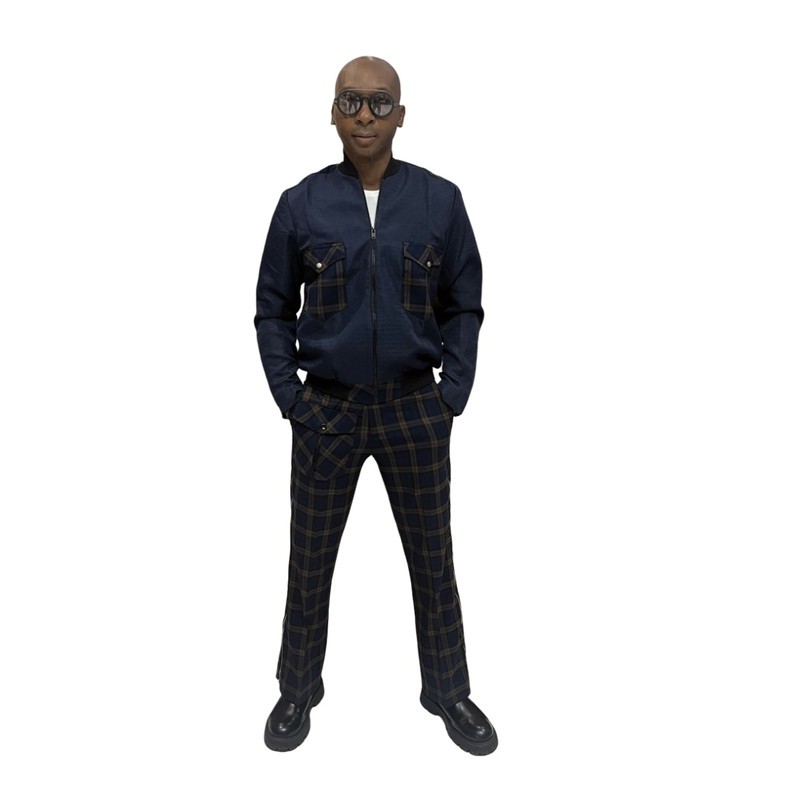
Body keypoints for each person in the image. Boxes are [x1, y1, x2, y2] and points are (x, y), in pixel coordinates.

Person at [254, 55, 497, 756]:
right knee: (309, 559)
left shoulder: (440, 201)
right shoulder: (300, 204)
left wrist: (452, 394)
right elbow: (272, 308)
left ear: (402, 115)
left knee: (433, 558)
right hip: (325, 411)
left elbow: (465, 303)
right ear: (332, 113)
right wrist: (290, 397)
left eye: (380, 103)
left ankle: (448, 690)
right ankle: (298, 688)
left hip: (415, 407)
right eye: (352, 102)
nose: (366, 115)